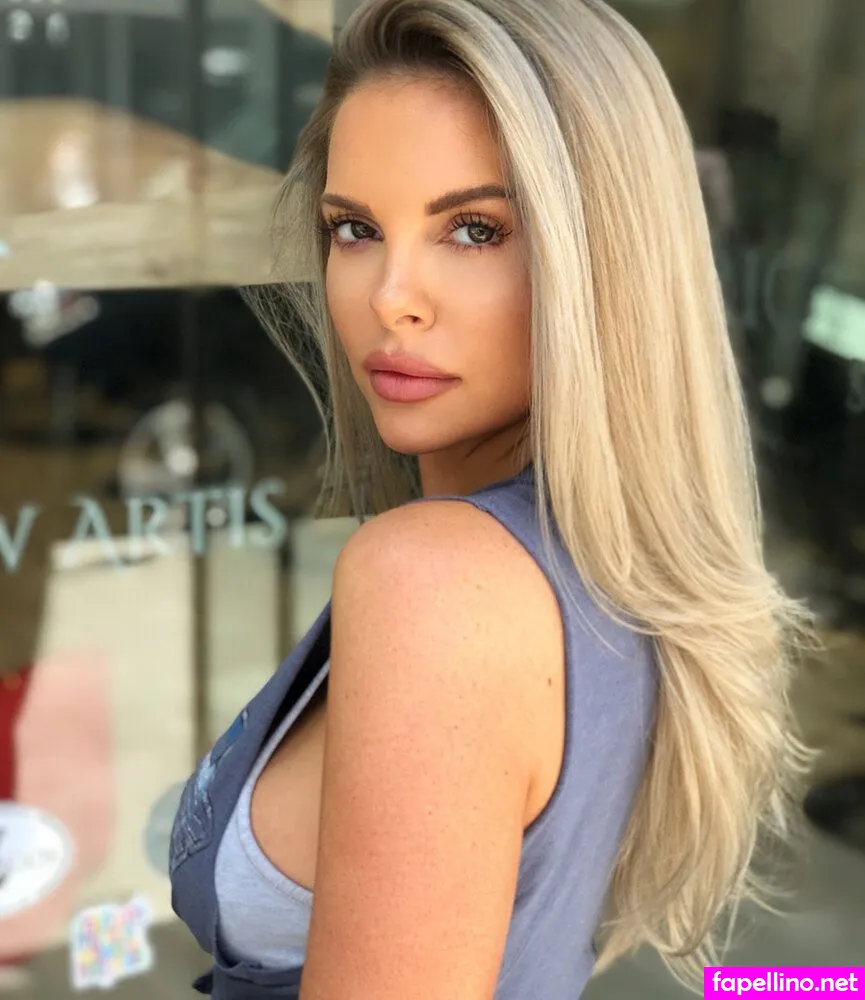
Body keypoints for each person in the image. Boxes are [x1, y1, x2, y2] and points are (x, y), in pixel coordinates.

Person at [169, 1, 814, 997]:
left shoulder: (435, 586)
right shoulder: (599, 569)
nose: (390, 296)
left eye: (474, 230)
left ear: (605, 261)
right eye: (354, 229)